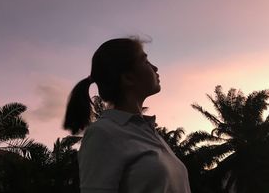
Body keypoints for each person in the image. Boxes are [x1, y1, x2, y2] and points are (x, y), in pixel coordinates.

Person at [63, 37, 191, 193]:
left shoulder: (148, 131)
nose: (155, 67)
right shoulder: (103, 133)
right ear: (128, 78)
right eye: (145, 62)